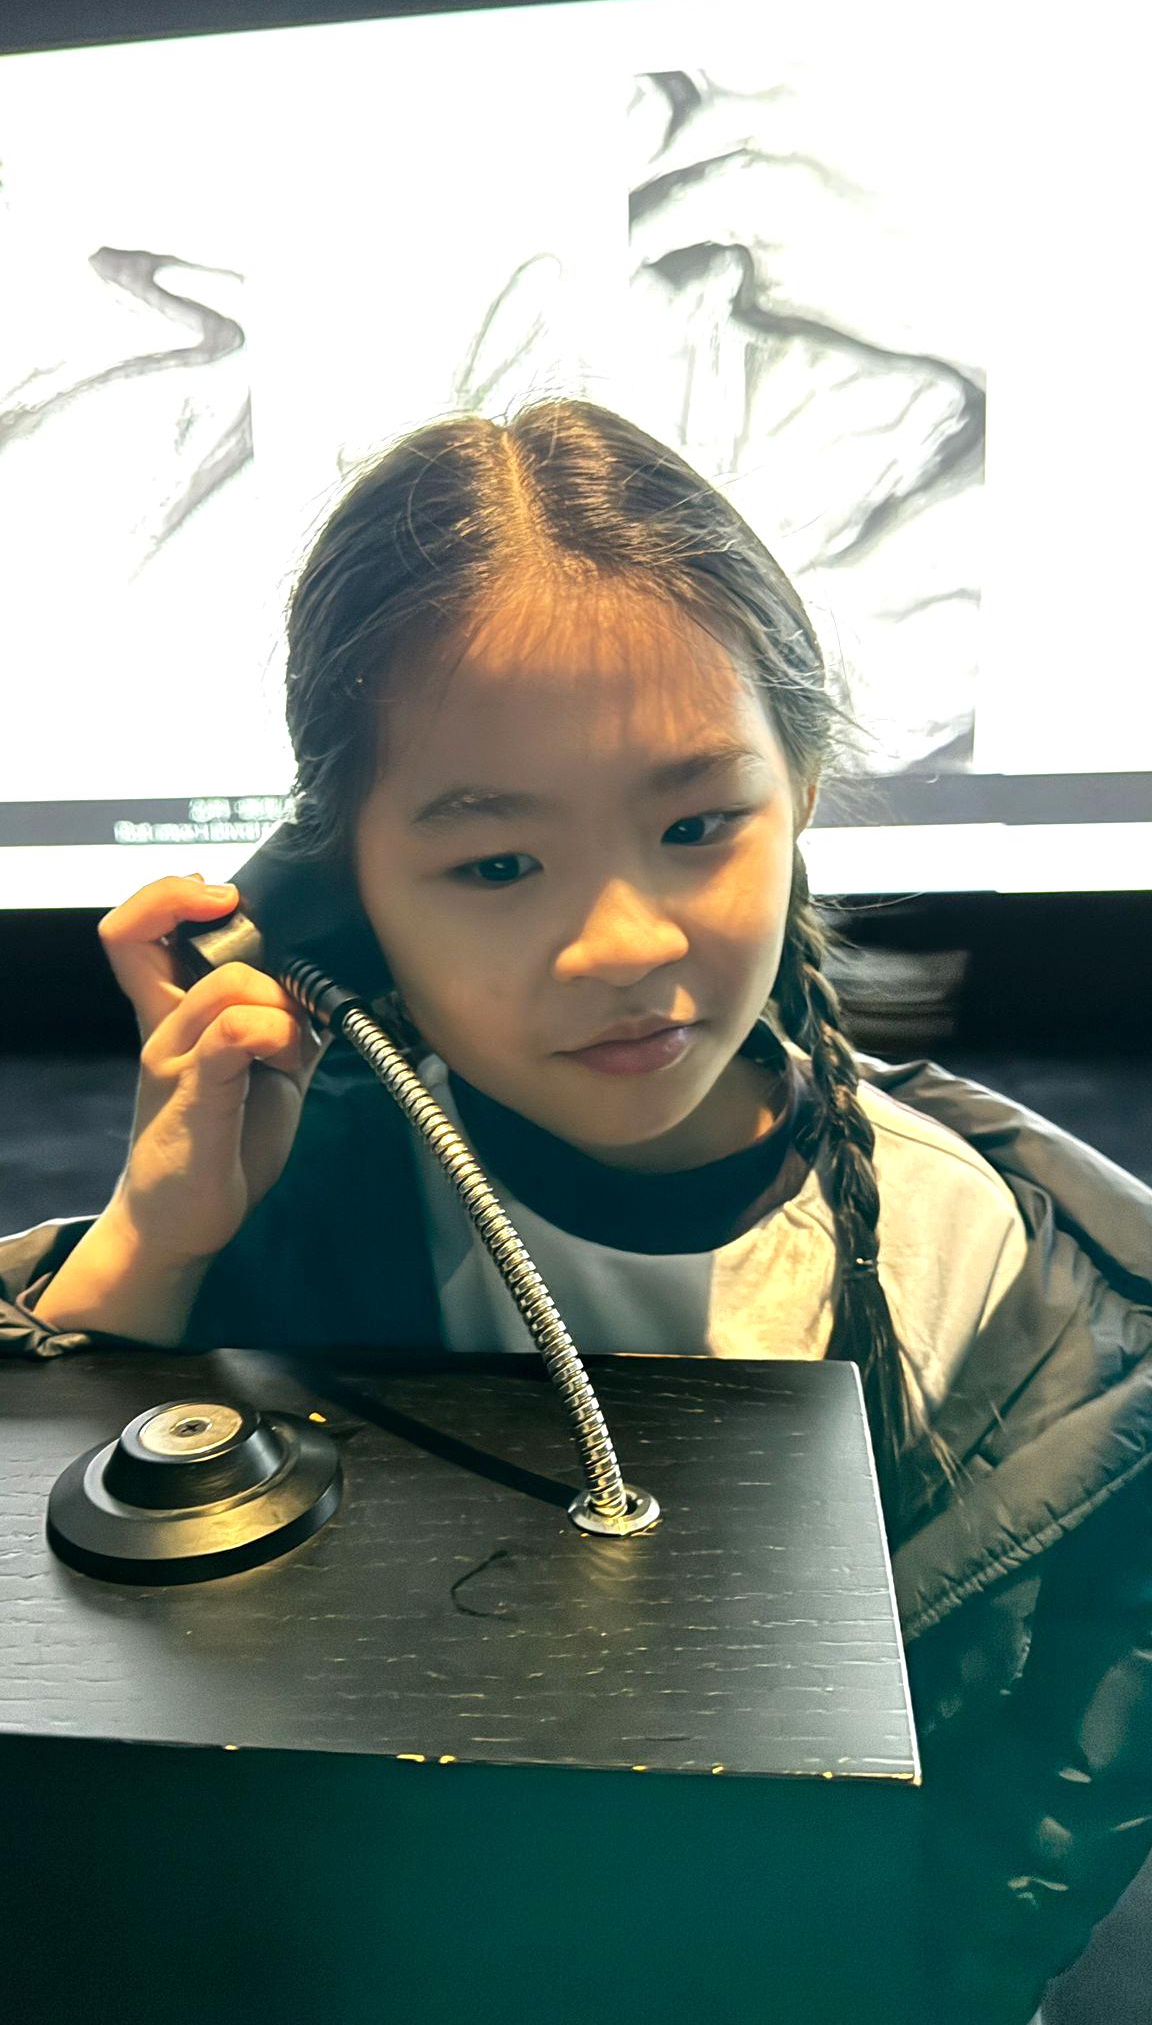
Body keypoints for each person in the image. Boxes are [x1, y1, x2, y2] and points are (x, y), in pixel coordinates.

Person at [2, 399, 1150, 2025]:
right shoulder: (282, 1186)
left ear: (802, 790)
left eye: (697, 827)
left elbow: (1019, 1848)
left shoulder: (1028, 1288)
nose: (623, 944)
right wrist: (149, 1244)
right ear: (339, 888)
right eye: (494, 866)